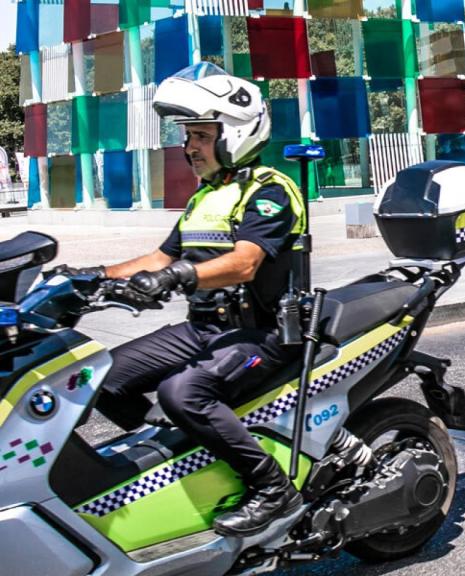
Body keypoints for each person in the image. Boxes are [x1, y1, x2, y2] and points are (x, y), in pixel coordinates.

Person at [68, 63, 308, 536]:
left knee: (184, 392)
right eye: (189, 136)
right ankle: (191, 449)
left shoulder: (270, 191)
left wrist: (178, 276)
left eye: (200, 135)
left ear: (234, 135)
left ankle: (272, 489)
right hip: (206, 329)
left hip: (261, 333)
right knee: (100, 378)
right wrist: (86, 278)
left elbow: (244, 264)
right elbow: (160, 257)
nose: (189, 147)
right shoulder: (207, 196)